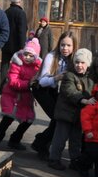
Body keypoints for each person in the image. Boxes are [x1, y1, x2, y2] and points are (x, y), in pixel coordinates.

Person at [30, 31, 77, 159]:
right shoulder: (51, 56)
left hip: (53, 89)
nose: (65, 48)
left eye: (68, 45)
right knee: (57, 117)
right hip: (40, 88)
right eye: (62, 45)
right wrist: (58, 77)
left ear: (74, 47)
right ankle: (41, 143)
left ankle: (40, 142)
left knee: (59, 117)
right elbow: (43, 81)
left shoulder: (72, 59)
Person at [48, 48, 95, 171]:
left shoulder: (90, 78)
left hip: (79, 116)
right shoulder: (69, 75)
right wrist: (84, 100)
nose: (79, 65)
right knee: (60, 139)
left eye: (82, 63)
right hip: (65, 114)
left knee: (76, 140)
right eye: (77, 62)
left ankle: (75, 160)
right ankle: (54, 159)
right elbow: (69, 92)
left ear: (88, 64)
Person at [0, 39, 41, 150]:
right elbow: (13, 81)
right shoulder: (17, 63)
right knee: (8, 118)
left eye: (31, 55)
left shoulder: (37, 67)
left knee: (28, 119)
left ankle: (15, 140)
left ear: (36, 56)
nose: (27, 57)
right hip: (12, 96)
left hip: (26, 98)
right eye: (26, 54)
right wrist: (28, 83)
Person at [0, 0, 28, 93]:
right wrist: (22, 46)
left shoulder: (6, 12)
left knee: (4, 65)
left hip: (6, 43)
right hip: (17, 44)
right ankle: (16, 86)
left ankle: (2, 88)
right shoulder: (21, 13)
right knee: (19, 66)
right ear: (20, 0)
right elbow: (22, 31)